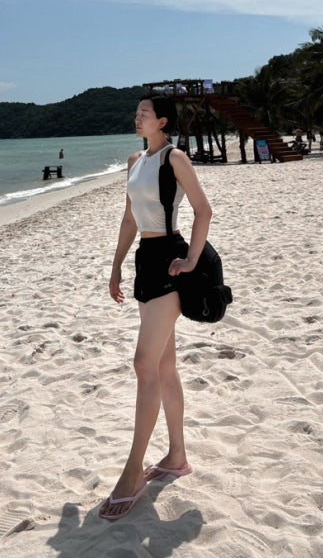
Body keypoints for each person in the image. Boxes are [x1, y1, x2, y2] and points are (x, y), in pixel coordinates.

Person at [100, 96, 212, 521]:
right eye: (136, 113)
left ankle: (133, 472)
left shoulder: (174, 158)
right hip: (144, 261)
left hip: (169, 260)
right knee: (163, 366)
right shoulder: (135, 160)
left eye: (144, 114)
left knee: (143, 364)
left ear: (162, 121)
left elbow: (203, 210)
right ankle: (176, 456)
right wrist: (115, 266)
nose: (137, 118)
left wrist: (191, 259)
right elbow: (130, 218)